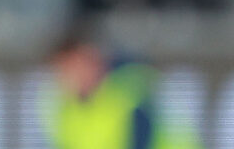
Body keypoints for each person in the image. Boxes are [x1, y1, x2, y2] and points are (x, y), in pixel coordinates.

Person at [45, 28, 202, 149]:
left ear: (92, 57)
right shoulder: (63, 107)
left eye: (75, 66)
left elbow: (142, 140)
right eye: (64, 70)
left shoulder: (133, 86)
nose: (71, 76)